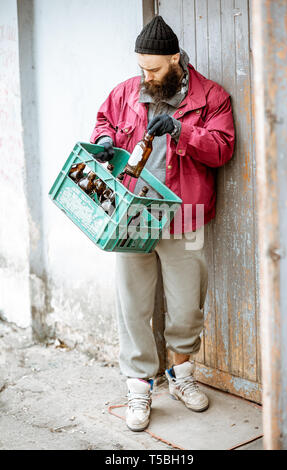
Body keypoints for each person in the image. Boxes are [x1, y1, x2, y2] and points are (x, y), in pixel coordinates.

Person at [90, 15, 235, 432]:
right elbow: (104, 124)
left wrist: (179, 130)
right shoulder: (124, 92)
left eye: (153, 68)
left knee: (187, 305)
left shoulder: (211, 97)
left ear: (176, 59)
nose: (145, 75)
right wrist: (103, 143)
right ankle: (139, 385)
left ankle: (181, 375)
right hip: (131, 211)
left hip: (184, 213)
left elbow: (222, 149)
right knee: (133, 305)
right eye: (141, 68)